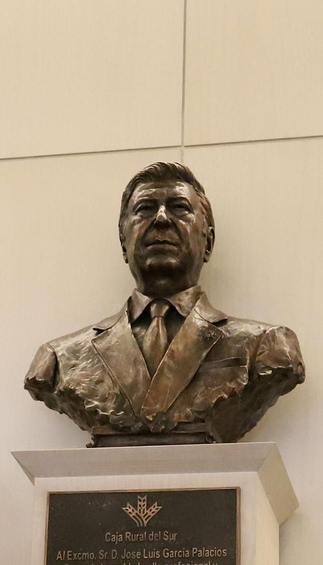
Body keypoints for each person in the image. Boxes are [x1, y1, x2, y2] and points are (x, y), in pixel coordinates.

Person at [24, 161, 304, 444]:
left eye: (179, 207)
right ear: (123, 242)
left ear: (208, 242)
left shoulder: (265, 347)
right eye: (144, 208)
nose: (160, 218)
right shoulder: (60, 359)